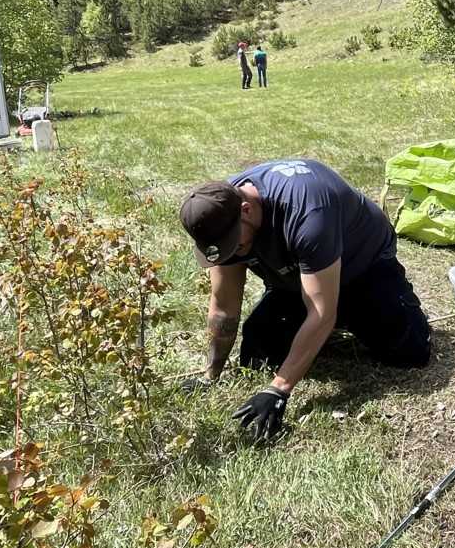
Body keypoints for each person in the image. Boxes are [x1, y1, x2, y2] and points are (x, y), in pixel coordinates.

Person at [179, 158, 432, 440]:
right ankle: (328, 320)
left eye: (234, 247)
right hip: (298, 275)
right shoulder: (220, 218)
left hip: (362, 265)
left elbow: (321, 313)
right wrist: (210, 375)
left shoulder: (307, 214)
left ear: (246, 210)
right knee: (257, 354)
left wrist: (278, 390)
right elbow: (224, 308)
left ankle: (360, 310)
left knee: (410, 353)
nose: (232, 255)